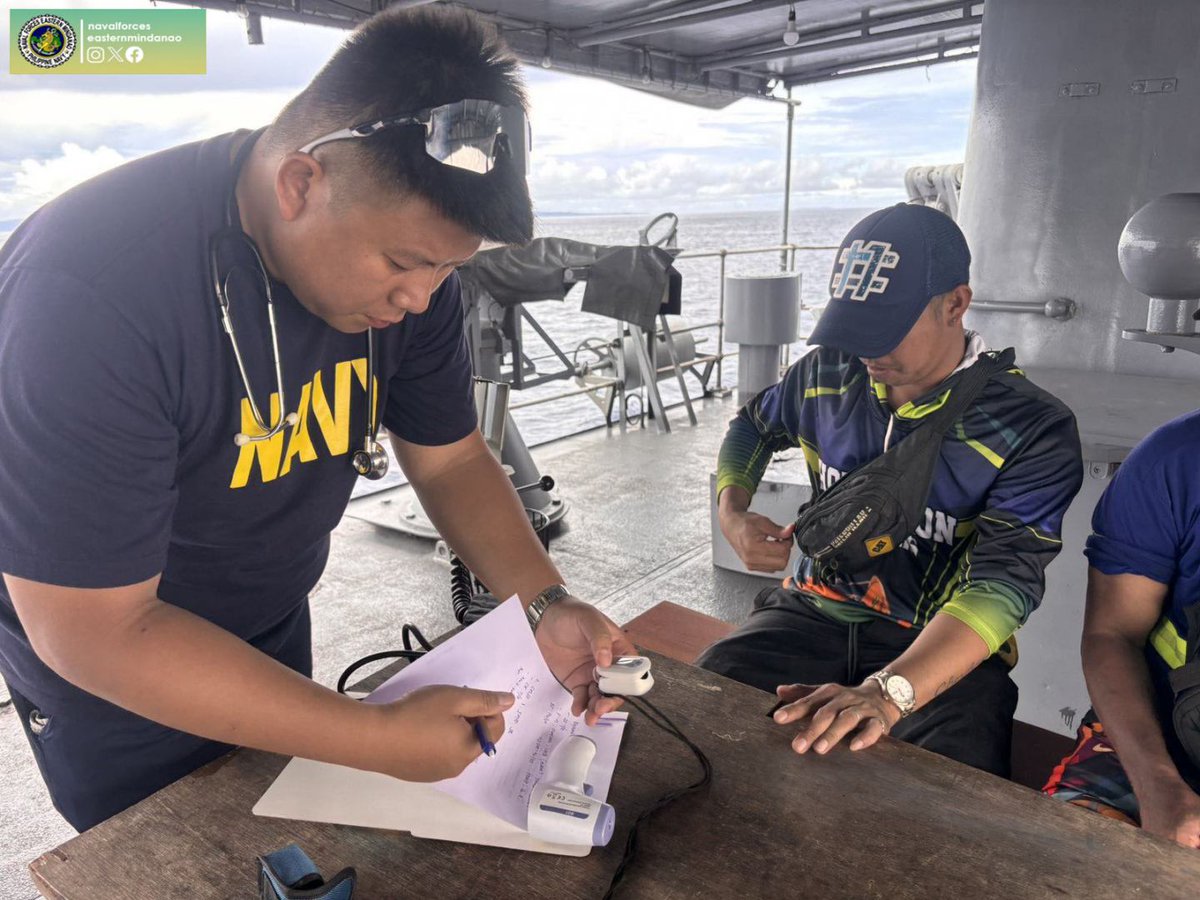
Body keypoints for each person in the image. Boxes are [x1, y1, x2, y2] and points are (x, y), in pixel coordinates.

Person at [0, 7, 632, 833]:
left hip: (269, 618)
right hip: (116, 661)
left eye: (449, 269)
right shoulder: (87, 292)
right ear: (301, 182)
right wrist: (369, 734)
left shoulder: (423, 279)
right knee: (164, 861)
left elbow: (449, 460)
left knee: (280, 840)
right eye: (404, 263)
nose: (420, 298)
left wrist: (544, 602)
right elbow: (95, 631)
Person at [697, 203, 1083, 776]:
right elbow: (752, 427)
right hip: (809, 611)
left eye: (886, 328)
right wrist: (733, 511)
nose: (867, 352)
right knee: (697, 715)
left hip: (939, 643)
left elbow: (1004, 586)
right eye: (854, 330)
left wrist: (890, 691)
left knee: (957, 791)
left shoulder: (1029, 427)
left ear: (956, 304)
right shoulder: (824, 374)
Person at [1043, 411, 1200, 847]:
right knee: (1063, 857)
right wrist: (1158, 787)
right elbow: (1112, 634)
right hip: (1155, 743)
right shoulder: (1175, 461)